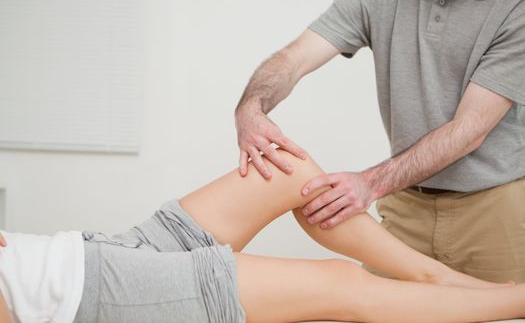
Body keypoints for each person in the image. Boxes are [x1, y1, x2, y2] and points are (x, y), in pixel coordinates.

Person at [1, 150, 525, 323]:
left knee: (292, 171)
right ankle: (512, 301)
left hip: (85, 253)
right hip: (93, 296)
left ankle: (435, 276)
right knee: (339, 285)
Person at [234, 0, 525, 283]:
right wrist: (251, 107)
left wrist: (370, 183)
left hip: (494, 211)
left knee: (505, 309)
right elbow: (297, 56)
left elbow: (468, 130)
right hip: (405, 204)